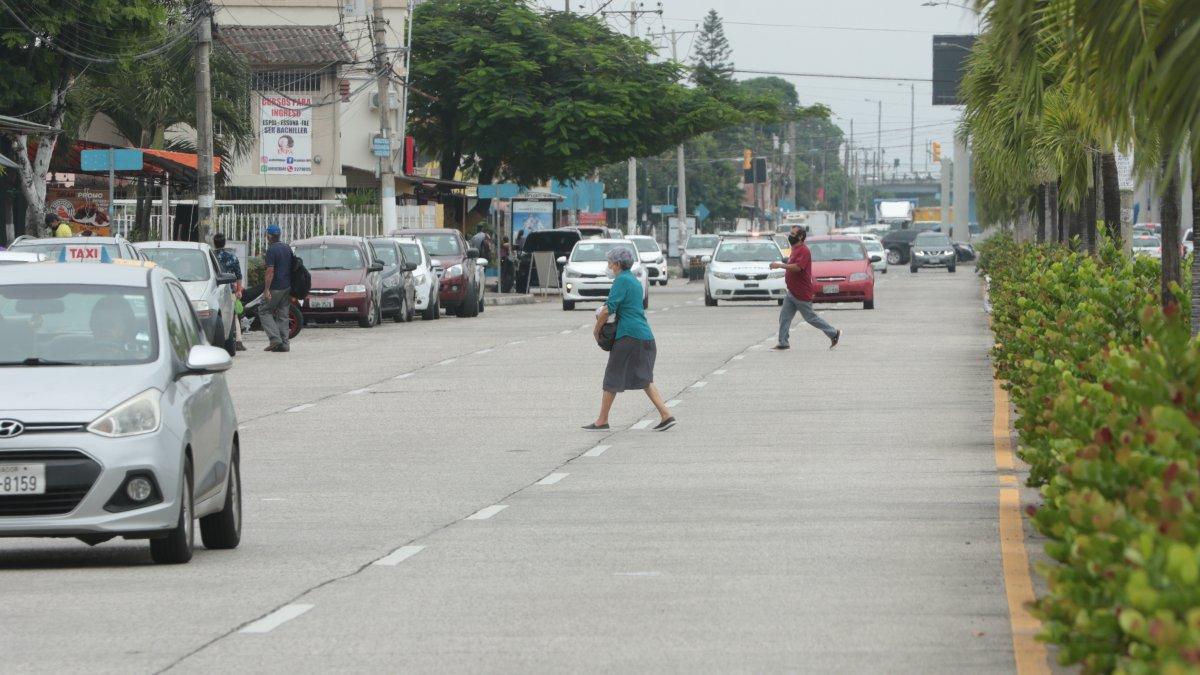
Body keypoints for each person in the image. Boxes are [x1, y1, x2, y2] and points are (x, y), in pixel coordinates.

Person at [585, 246, 676, 432]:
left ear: (617, 264)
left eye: (610, 262)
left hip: (629, 336)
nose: (608, 266)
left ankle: (602, 420)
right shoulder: (634, 281)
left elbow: (608, 309)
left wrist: (596, 331)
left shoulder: (621, 281)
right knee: (644, 379)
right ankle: (666, 415)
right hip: (644, 336)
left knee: (612, 377)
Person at [770, 226, 840, 351]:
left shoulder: (804, 251)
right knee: (784, 316)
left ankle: (833, 333)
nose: (790, 236)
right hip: (792, 291)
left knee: (810, 318)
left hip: (801, 292)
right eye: (790, 233)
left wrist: (780, 265)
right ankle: (783, 342)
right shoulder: (795, 249)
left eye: (793, 234)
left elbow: (798, 267)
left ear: (801, 236)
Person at [261, 224, 293, 353]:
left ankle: (275, 339)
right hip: (287, 286)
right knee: (283, 315)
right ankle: (284, 344)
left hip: (276, 287)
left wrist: (266, 289)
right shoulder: (287, 248)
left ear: (269, 236)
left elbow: (270, 271)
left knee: (264, 310)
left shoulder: (272, 250)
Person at [212, 233, 246, 352]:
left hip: (214, 289)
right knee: (233, 315)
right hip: (230, 289)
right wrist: (238, 290)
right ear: (225, 242)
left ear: (214, 243)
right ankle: (238, 340)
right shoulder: (232, 257)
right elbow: (239, 275)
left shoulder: (211, 257)